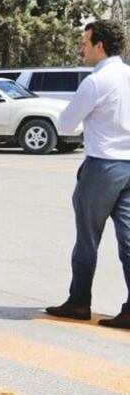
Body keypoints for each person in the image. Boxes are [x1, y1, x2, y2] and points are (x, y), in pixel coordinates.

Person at [45, 20, 130, 329]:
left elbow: (66, 125)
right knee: (129, 241)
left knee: (87, 240)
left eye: (84, 42)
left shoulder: (96, 81)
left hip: (102, 166)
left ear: (99, 45)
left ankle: (79, 302)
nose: (81, 48)